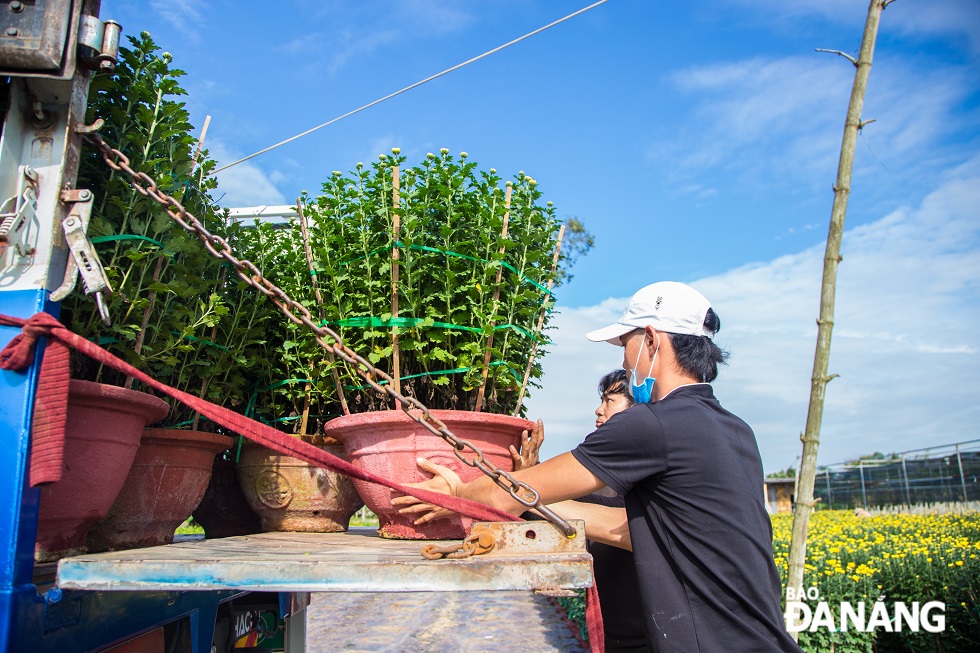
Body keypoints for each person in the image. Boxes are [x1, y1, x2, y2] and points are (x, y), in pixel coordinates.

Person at [393, 281, 801, 652]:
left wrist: (457, 493)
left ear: (652, 340)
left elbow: (511, 490)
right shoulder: (735, 430)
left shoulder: (652, 424)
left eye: (626, 342)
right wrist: (525, 502)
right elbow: (631, 525)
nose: (625, 358)